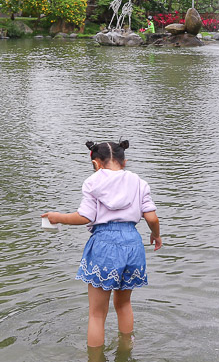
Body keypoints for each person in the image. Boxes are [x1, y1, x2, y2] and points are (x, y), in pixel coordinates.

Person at [42, 140, 162, 348]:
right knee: (124, 304)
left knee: (97, 314)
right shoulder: (139, 182)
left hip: (105, 243)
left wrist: (58, 217)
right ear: (124, 161)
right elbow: (152, 218)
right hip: (132, 243)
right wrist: (156, 235)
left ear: (96, 163)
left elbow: (85, 217)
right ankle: (127, 349)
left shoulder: (93, 182)